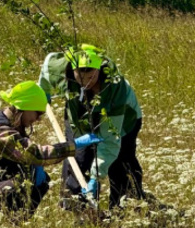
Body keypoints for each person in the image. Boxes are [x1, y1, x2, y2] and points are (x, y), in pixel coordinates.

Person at [0, 81, 102, 216]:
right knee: (22, 183)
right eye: (37, 113)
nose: (38, 119)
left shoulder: (12, 123)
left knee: (35, 179)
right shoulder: (0, 130)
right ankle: (10, 223)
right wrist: (73, 146)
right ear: (25, 107)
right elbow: (35, 155)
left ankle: (16, 224)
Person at [38, 44, 145, 209]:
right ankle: (75, 205)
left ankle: (125, 206)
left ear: (99, 70)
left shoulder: (114, 86)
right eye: (80, 77)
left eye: (90, 78)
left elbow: (110, 140)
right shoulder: (59, 69)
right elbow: (46, 66)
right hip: (79, 118)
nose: (85, 83)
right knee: (77, 156)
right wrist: (43, 91)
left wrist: (96, 176)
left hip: (122, 120)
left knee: (121, 161)